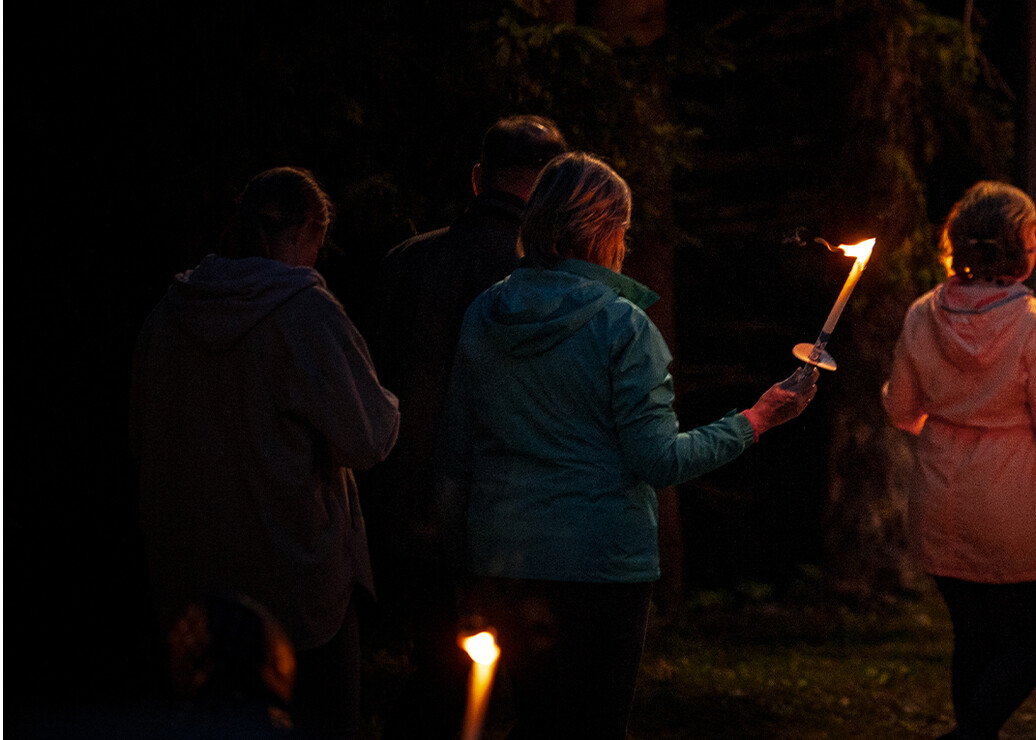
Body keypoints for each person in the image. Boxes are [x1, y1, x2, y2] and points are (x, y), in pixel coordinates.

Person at [443, 152, 817, 738]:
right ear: (605, 229)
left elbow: (456, 449)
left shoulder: (484, 313)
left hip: (504, 555)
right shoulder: (623, 326)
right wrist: (757, 419)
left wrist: (458, 556)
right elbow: (657, 459)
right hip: (598, 566)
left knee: (537, 724)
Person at [133, 166, 399, 740]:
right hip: (298, 592)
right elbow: (369, 437)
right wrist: (391, 401)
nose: (315, 263)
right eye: (317, 247)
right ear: (306, 228)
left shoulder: (168, 315)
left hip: (196, 590)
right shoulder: (304, 312)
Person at [358, 114, 566, 739]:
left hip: (407, 503)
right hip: (508, 511)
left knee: (441, 671)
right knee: (523, 689)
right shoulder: (552, 280)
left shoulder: (407, 263)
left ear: (479, 179)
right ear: (555, 189)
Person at [885, 181, 1036, 740]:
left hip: (941, 497)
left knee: (971, 637)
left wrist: (946, 405)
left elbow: (902, 410)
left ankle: (973, 733)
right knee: (1032, 640)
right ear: (1013, 247)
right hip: (1013, 503)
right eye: (1030, 236)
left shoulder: (922, 314)